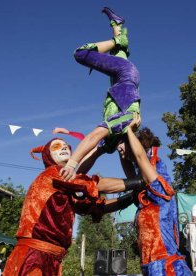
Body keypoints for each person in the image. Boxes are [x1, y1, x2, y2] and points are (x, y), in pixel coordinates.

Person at [3, 138, 143, 276]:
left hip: (52, 257)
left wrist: (130, 197)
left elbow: (98, 207)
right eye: (57, 146)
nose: (64, 147)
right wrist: (140, 181)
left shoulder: (65, 191)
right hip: (34, 255)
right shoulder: (53, 173)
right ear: (47, 155)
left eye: (66, 146)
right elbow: (93, 184)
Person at [60, 7, 141, 181]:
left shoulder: (113, 142)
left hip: (121, 78)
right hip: (126, 75)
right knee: (81, 54)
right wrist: (70, 165)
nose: (121, 153)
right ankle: (118, 39)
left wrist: (75, 178)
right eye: (125, 152)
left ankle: (116, 24)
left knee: (119, 52)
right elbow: (94, 136)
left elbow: (95, 153)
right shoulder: (125, 122)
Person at [116, 113, 192, 275]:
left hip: (167, 267)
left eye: (122, 144)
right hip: (150, 265)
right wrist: (120, 145)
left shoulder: (159, 189)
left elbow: (140, 156)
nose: (119, 148)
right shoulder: (144, 197)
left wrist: (128, 130)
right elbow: (132, 175)